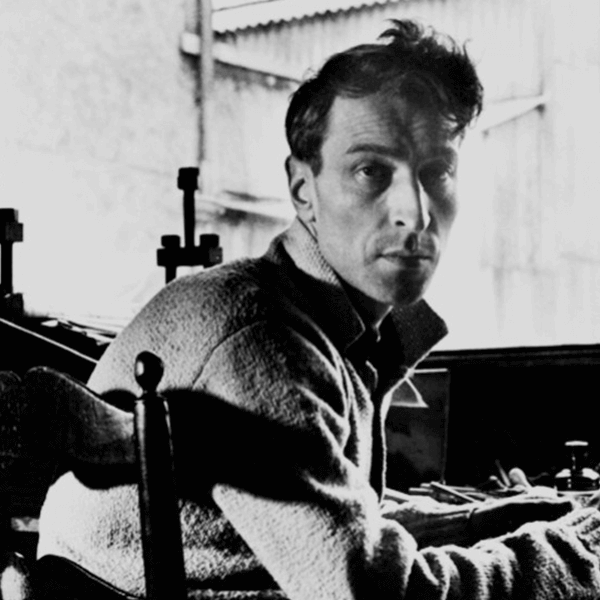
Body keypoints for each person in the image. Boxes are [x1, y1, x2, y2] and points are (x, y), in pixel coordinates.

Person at [37, 19, 600, 599]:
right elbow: (377, 593)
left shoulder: (327, 325)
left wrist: (497, 518)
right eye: (370, 170)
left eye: (437, 171)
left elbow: (346, 528)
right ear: (303, 190)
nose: (414, 212)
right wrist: (579, 553)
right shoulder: (264, 338)